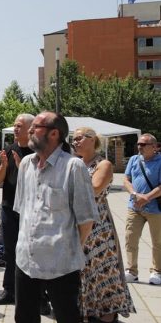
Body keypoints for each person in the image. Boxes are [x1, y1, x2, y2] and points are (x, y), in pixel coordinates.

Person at [14, 112, 98, 323]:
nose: (30, 130)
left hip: (61, 265)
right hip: (26, 261)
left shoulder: (73, 167)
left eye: (36, 126)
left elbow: (86, 220)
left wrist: (65, 248)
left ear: (54, 134)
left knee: (67, 317)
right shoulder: (26, 164)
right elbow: (22, 209)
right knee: (24, 317)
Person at [72, 127, 135, 322]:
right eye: (73, 139)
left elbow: (94, 190)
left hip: (98, 229)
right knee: (83, 271)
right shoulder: (75, 163)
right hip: (77, 225)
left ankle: (107, 314)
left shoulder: (103, 164)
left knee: (103, 272)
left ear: (93, 140)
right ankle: (87, 311)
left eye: (79, 138)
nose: (75, 142)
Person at [0, 114, 34, 306]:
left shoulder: (37, 151)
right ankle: (9, 290)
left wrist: (21, 167)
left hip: (31, 210)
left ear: (31, 129)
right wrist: (5, 166)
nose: (15, 129)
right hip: (9, 207)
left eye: (20, 126)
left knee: (32, 252)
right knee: (10, 251)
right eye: (15, 125)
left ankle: (38, 296)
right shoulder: (9, 150)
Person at [122, 133, 161, 285]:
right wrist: (134, 194)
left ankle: (156, 272)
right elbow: (126, 179)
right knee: (130, 238)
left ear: (154, 146)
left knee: (158, 241)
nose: (139, 147)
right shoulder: (133, 159)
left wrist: (146, 198)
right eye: (138, 144)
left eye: (143, 144)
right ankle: (131, 271)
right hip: (135, 207)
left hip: (155, 208)